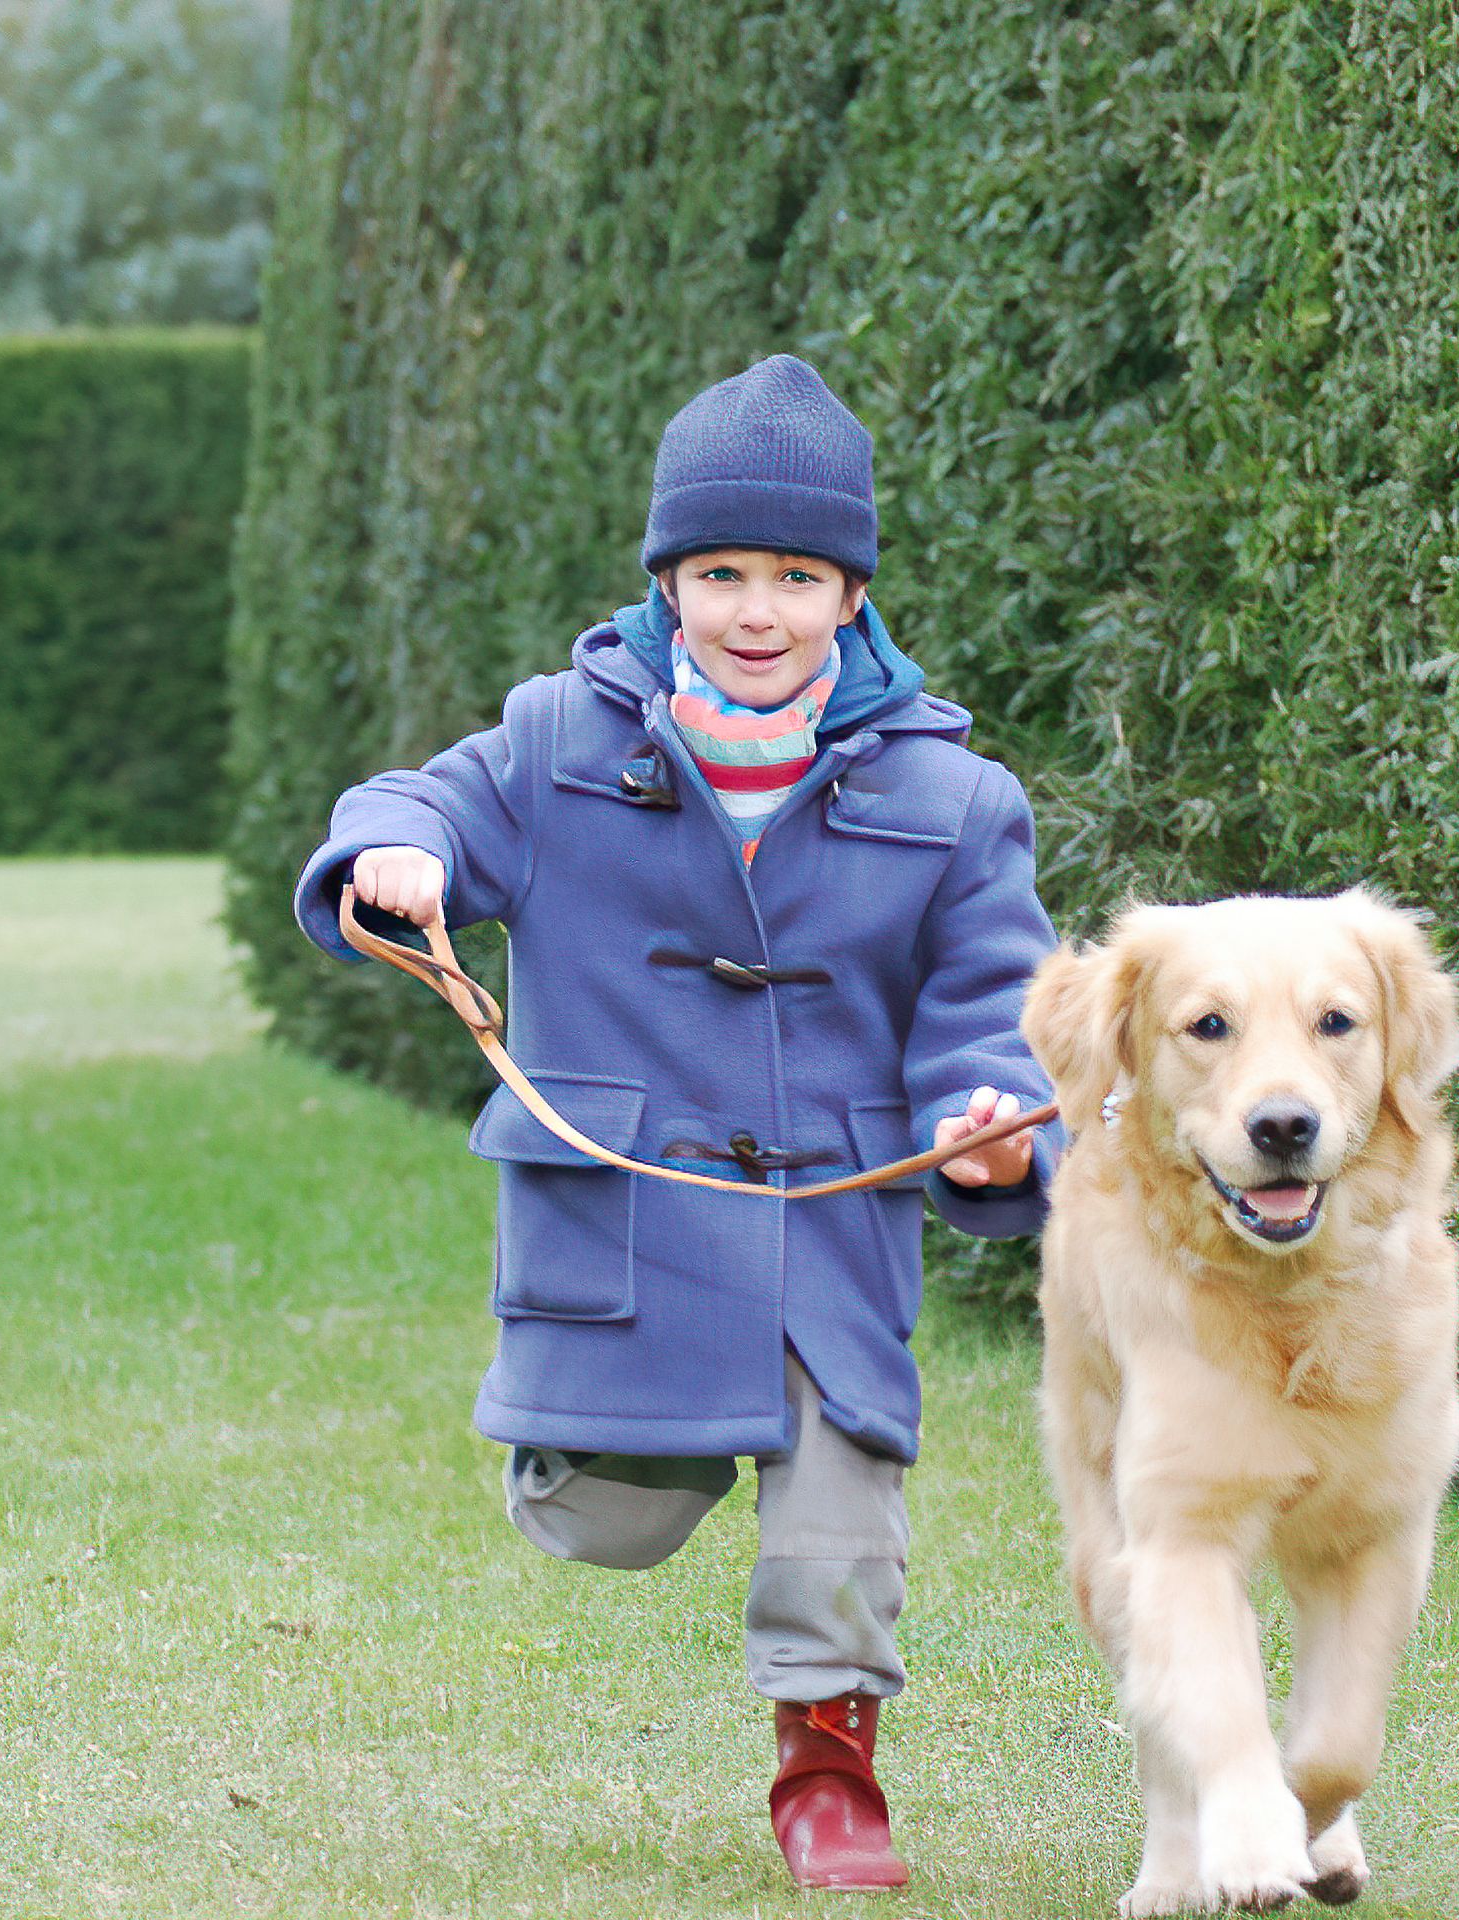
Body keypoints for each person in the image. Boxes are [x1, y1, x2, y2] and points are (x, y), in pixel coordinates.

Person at [293, 354, 1065, 1892]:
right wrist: (403, 858)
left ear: (851, 593)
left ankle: (829, 1763)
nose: (756, 610)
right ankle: (604, 1437)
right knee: (610, 1519)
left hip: (832, 1218)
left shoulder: (957, 799)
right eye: (720, 574)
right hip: (625, 1217)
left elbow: (993, 1008)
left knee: (841, 1477)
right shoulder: (558, 737)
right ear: (667, 580)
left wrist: (997, 1131)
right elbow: (410, 798)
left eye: (795, 575)